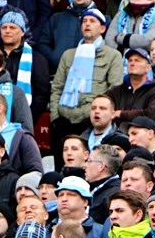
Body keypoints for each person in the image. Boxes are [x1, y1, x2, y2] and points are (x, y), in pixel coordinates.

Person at [50, 9, 124, 149]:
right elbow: (57, 87)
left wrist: (99, 116)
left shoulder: (112, 56)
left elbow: (114, 91)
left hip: (90, 120)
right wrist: (55, 117)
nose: (87, 24)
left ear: (102, 28)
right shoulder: (68, 55)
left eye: (92, 21)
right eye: (84, 21)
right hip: (63, 119)